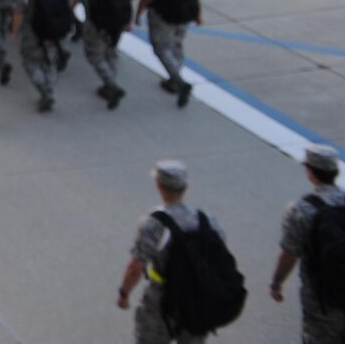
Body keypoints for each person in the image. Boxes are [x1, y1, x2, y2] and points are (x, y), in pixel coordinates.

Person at [117, 160, 240, 344]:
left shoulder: (154, 224)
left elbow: (135, 268)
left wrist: (124, 294)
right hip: (198, 299)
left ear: (159, 186)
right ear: (186, 187)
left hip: (160, 300)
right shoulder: (207, 220)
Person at [270, 144, 345, 342]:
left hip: (322, 299)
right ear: (335, 172)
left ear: (310, 172)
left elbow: (289, 254)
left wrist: (276, 283)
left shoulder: (301, 210)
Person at [138, 0, 202, 107]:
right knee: (177, 44)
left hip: (163, 15)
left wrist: (138, 14)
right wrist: (198, 14)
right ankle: (174, 78)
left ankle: (179, 81)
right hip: (184, 14)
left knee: (161, 48)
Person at [73, 0, 132, 109]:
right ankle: (109, 84)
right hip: (117, 23)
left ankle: (111, 84)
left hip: (96, 23)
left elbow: (74, 1)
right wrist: (128, 21)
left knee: (94, 55)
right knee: (111, 52)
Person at [11, 0, 69, 112]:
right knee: (49, 61)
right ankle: (50, 88)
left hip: (32, 32)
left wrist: (15, 33)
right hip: (53, 29)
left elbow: (18, 13)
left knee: (30, 63)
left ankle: (45, 91)